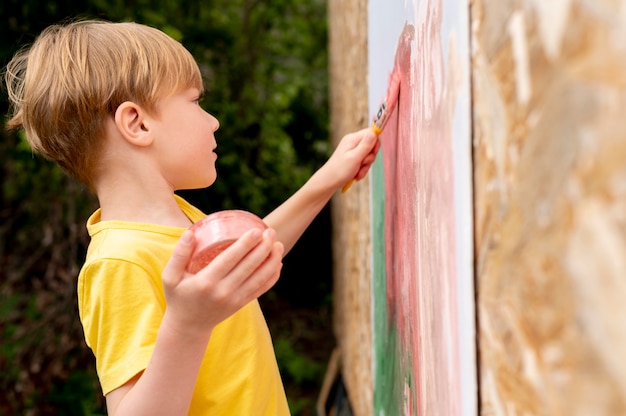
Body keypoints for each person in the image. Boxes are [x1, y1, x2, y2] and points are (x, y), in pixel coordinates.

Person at [4, 19, 379, 415]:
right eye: (196, 101)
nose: (213, 121)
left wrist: (326, 179)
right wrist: (186, 326)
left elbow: (255, 250)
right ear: (137, 123)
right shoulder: (120, 260)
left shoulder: (176, 217)